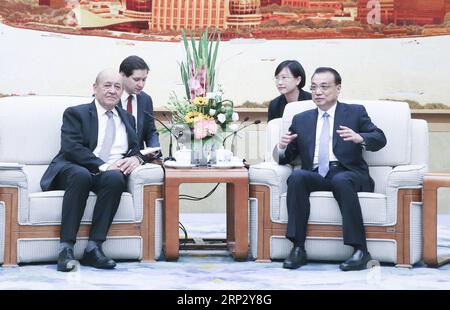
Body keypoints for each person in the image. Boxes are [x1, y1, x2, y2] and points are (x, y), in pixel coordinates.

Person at [277, 67, 387, 271]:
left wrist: (361, 138)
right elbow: (287, 157)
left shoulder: (355, 112)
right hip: (317, 173)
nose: (318, 92)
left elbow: (380, 138)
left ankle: (360, 251)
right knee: (297, 177)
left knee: (341, 180)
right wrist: (281, 147)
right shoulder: (301, 119)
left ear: (338, 88)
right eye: (314, 87)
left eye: (324, 87)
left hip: (349, 173)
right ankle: (298, 248)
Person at [40, 69, 145, 272]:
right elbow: (71, 147)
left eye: (117, 87)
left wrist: (136, 158)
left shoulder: (127, 119)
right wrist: (103, 165)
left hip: (107, 174)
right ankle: (65, 249)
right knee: (82, 176)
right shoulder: (76, 113)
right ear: (95, 87)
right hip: (74, 169)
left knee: (116, 179)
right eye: (107, 85)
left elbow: (135, 149)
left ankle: (93, 248)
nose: (112, 91)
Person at [119, 55, 160, 161]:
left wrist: (154, 148)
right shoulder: (110, 98)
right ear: (122, 75)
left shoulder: (145, 99)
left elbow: (151, 131)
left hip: (138, 159)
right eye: (136, 79)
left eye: (144, 79)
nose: (141, 84)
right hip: (115, 158)